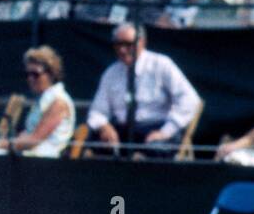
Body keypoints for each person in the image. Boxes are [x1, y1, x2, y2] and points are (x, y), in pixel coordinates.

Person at [86, 23, 201, 157]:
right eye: (118, 44)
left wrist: (166, 131)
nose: (122, 50)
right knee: (92, 142)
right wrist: (104, 127)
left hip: (156, 129)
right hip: (123, 131)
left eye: (128, 44)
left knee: (156, 149)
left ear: (142, 42)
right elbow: (97, 110)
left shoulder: (161, 64)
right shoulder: (111, 73)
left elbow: (190, 100)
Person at [0, 47, 75, 158]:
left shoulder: (58, 102)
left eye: (35, 74)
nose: (30, 79)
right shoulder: (44, 100)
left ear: (51, 74)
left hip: (43, 162)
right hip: (30, 157)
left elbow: (32, 141)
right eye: (27, 74)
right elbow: (27, 138)